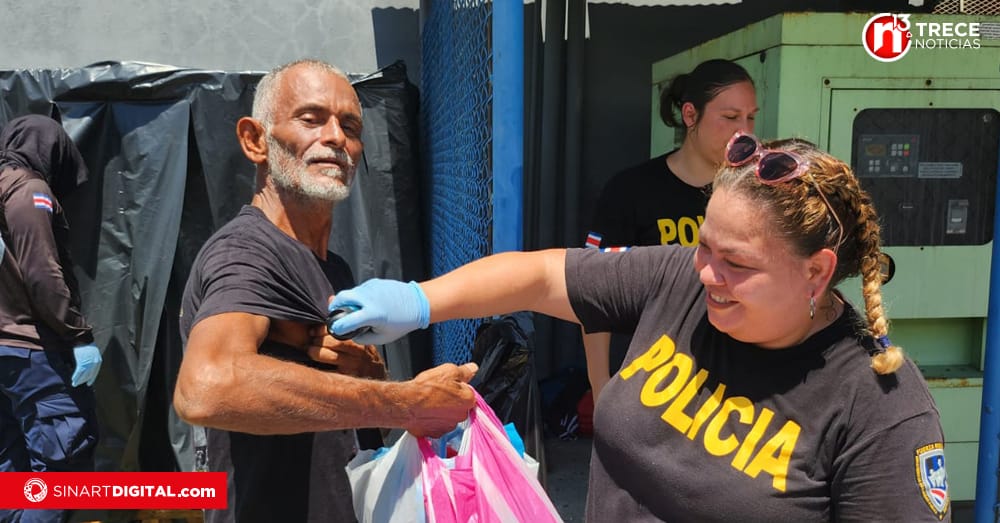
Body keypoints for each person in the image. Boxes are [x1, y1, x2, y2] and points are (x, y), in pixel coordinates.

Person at [330, 134, 950, 521]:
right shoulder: (679, 282)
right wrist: (418, 301)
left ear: (817, 272)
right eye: (706, 245)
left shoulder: (879, 404)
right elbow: (543, 275)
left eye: (737, 263)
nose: (707, 273)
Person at [172, 59, 477, 523]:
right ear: (256, 141)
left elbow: (327, 402)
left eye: (350, 125)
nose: (336, 137)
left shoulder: (331, 265)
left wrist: (369, 375)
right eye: (311, 119)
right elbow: (207, 387)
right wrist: (407, 403)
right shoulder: (247, 252)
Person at [583, 59, 758, 399]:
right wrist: (600, 382)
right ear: (690, 115)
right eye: (731, 117)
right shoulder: (631, 190)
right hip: (650, 383)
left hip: (736, 385)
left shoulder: (755, 193)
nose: (744, 131)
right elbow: (591, 290)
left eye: (750, 117)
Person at [0, 114, 103, 523]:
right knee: (62, 471)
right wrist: (79, 336)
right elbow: (44, 274)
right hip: (33, 353)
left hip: (7, 356)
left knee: (13, 467)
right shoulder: (29, 191)